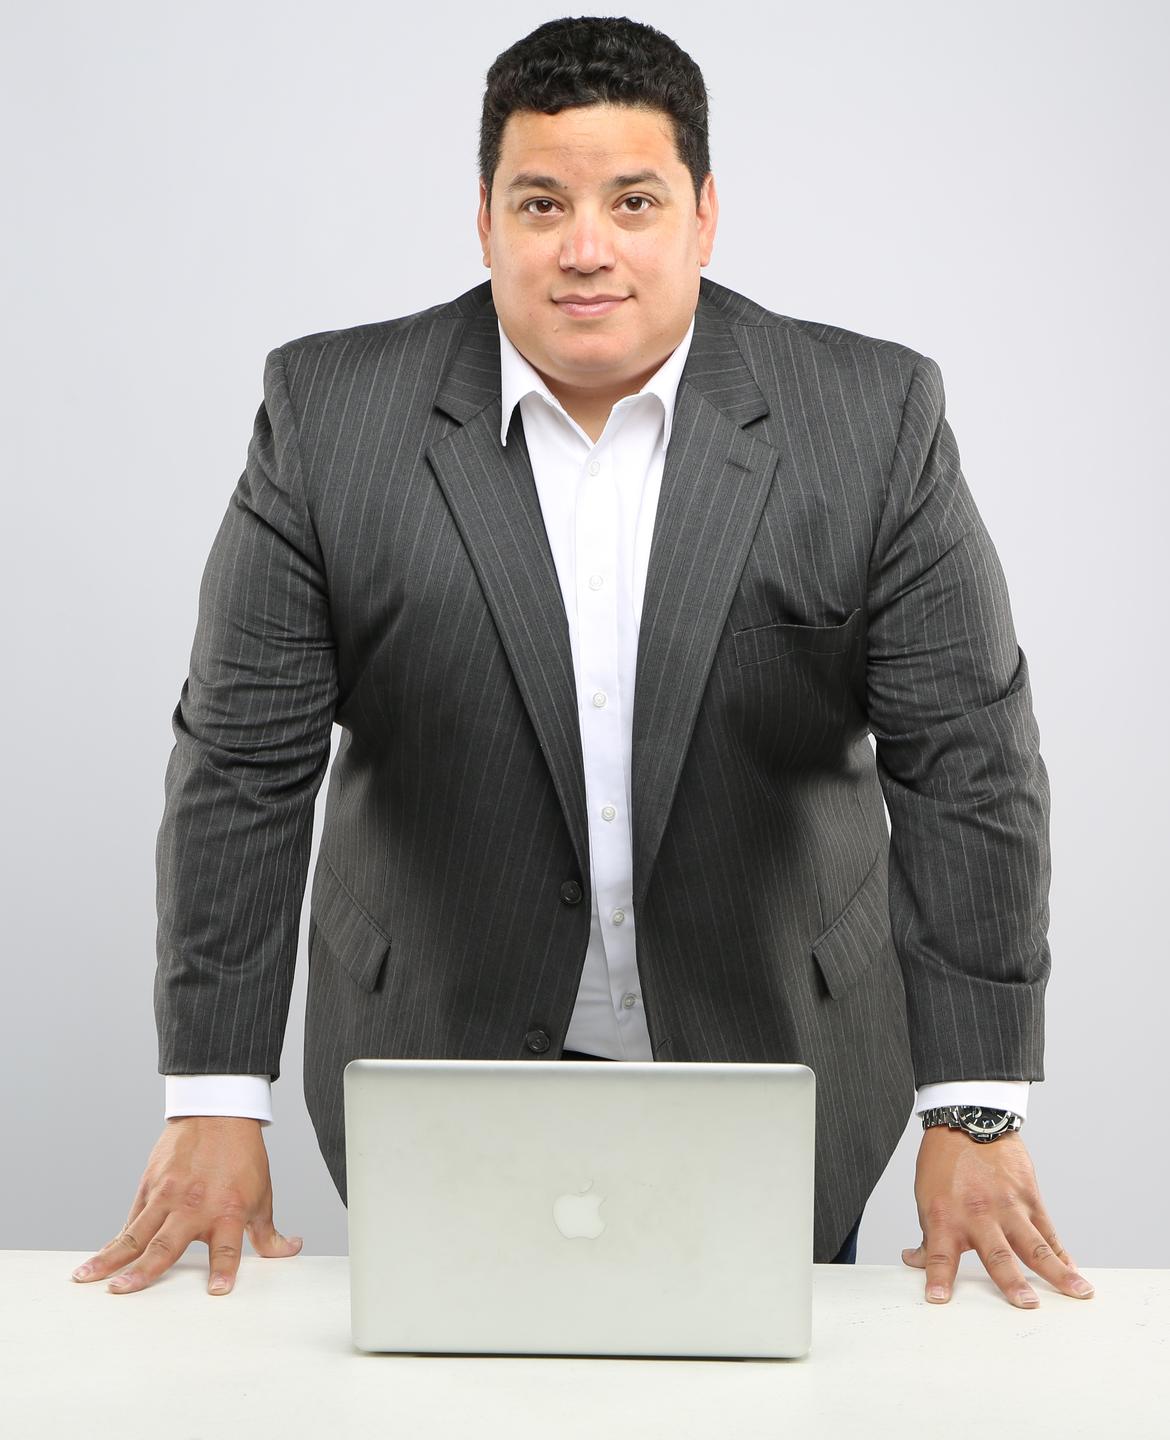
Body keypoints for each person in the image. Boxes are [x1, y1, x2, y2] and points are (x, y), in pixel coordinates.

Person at [71, 15, 1094, 1310]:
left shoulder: (870, 418)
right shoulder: (330, 417)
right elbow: (240, 767)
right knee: (449, 1381)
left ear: (704, 215)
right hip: (437, 1046)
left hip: (779, 1046)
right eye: (541, 202)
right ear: (484, 220)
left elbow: (968, 763)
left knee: (765, 1390)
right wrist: (216, 1095)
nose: (586, 247)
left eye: (634, 201)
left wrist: (975, 1105)